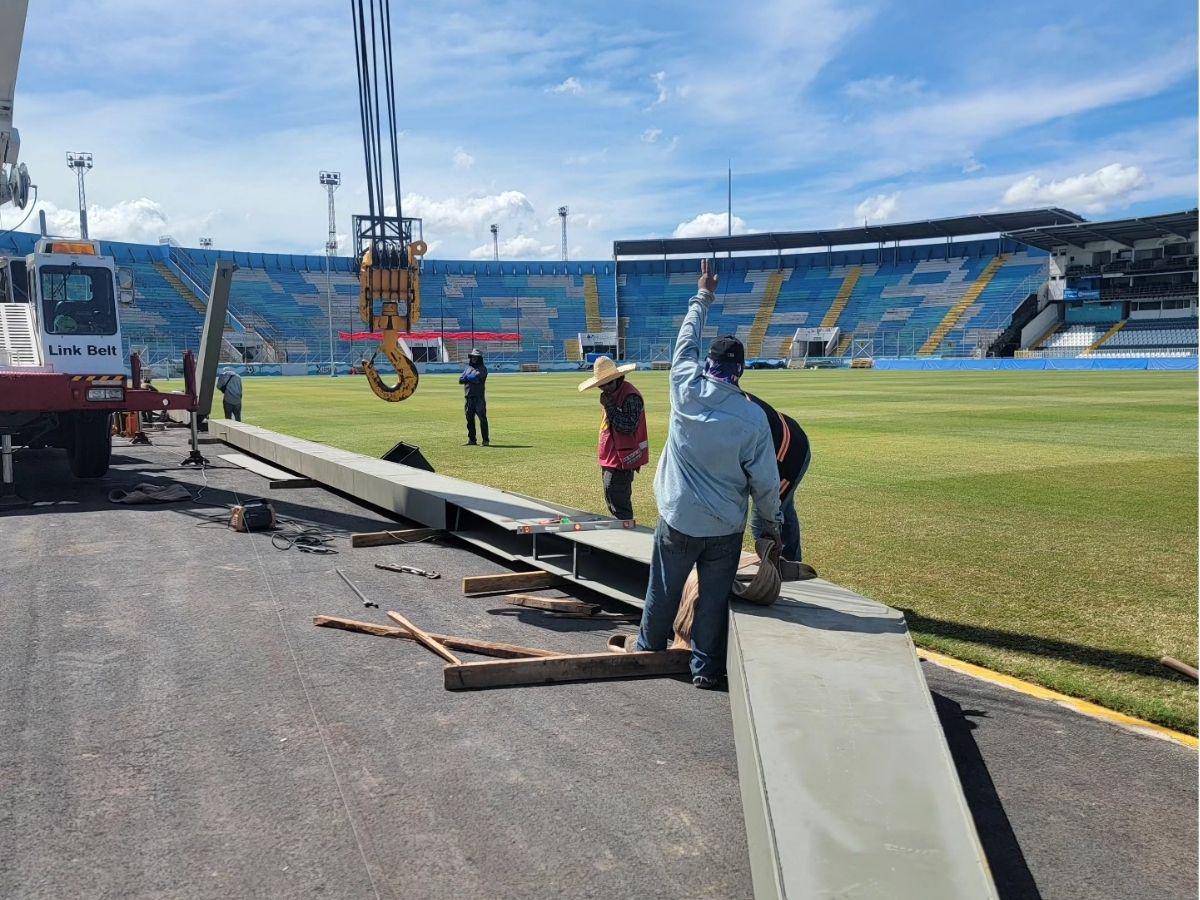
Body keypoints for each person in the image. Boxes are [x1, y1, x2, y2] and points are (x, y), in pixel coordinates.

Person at [634, 259, 781, 689]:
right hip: (725, 529)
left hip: (679, 519)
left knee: (663, 589)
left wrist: (704, 293)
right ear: (740, 371)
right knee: (713, 602)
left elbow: (685, 338)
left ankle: (647, 652)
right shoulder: (753, 418)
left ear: (707, 363)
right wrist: (769, 527)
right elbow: (766, 484)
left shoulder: (684, 385)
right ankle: (706, 670)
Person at [577, 355, 648, 521]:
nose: (605, 388)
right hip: (612, 457)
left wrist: (609, 406)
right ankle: (624, 528)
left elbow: (627, 426)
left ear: (617, 378)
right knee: (612, 495)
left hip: (622, 458)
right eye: (601, 385)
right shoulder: (612, 394)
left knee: (618, 499)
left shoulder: (630, 396)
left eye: (608, 383)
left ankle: (627, 533)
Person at [744, 392, 811, 562]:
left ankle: (774, 567)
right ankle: (791, 560)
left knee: (764, 517)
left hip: (789, 456)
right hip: (777, 445)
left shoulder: (737, 410)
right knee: (785, 509)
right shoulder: (721, 399)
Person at [459, 348, 489, 446]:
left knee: (482, 419)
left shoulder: (483, 368)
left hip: (479, 398)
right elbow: (460, 380)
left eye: (475, 357)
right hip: (468, 397)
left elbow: (475, 378)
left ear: (479, 358)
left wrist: (467, 377)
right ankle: (472, 440)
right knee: (469, 419)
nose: (473, 359)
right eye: (472, 357)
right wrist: (469, 377)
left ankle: (485, 440)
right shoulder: (468, 368)